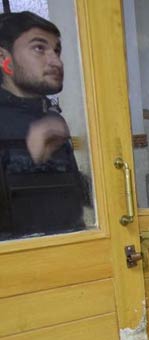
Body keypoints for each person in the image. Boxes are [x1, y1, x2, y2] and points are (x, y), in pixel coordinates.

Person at [0, 11, 86, 240]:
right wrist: (32, 158)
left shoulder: (50, 115)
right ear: (3, 59)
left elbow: (66, 194)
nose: (56, 61)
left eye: (57, 50)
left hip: (74, 254)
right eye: (39, 48)